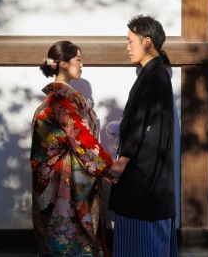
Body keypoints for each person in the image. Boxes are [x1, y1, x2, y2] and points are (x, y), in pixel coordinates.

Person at [30, 40, 122, 257]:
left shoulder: (59, 100)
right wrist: (107, 168)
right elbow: (82, 139)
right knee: (72, 236)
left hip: (53, 176)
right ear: (62, 64)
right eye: (78, 59)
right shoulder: (62, 101)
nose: (82, 65)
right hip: (63, 180)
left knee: (58, 234)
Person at [108, 15, 177, 257]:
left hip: (144, 176)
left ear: (147, 41)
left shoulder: (156, 75)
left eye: (130, 41)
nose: (127, 47)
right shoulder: (152, 74)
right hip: (144, 174)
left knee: (144, 242)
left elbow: (143, 124)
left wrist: (123, 160)